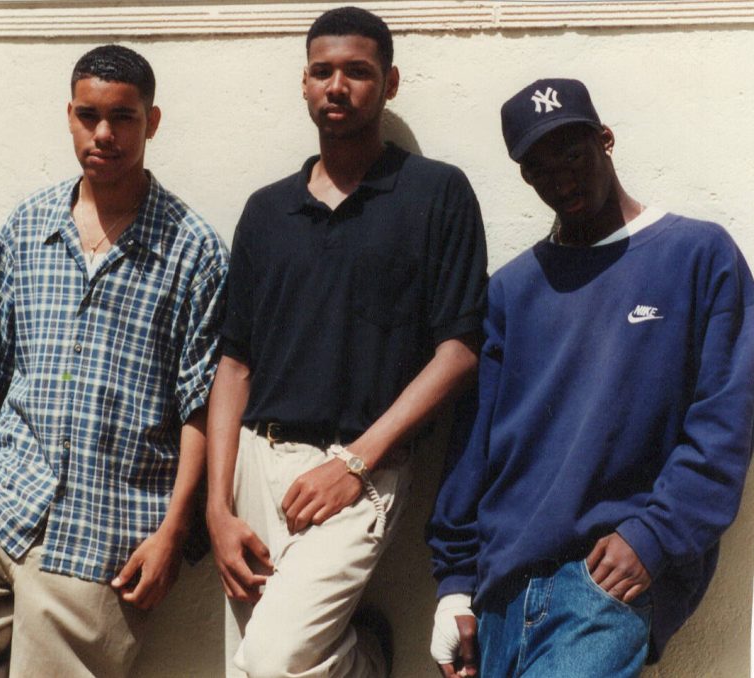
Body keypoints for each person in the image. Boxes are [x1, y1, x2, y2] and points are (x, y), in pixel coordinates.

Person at [0, 44, 228, 677]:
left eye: (123, 117)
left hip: (111, 515)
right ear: (69, 117)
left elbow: (201, 407)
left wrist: (173, 534)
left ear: (151, 122)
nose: (104, 134)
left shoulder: (194, 250)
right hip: (4, 494)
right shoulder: (27, 226)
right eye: (88, 115)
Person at [427, 77, 754, 678]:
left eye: (573, 155)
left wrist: (655, 536)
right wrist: (454, 585)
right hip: (498, 592)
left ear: (606, 140)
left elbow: (726, 420)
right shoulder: (510, 291)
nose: (561, 180)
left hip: (602, 583)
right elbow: (473, 448)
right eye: (539, 168)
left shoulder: (698, 255)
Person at [206, 7, 488, 677]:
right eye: (321, 71)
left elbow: (460, 350)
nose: (337, 86)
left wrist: (358, 461)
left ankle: (365, 661)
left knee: (268, 667)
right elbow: (235, 362)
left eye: (357, 72)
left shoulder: (435, 193)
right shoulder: (266, 210)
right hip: (255, 465)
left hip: (359, 467)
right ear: (304, 83)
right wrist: (217, 507)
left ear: (389, 83)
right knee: (254, 663)